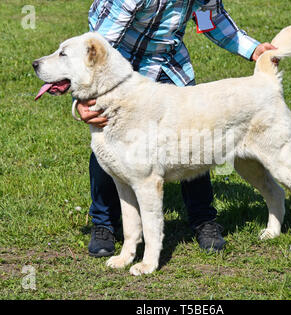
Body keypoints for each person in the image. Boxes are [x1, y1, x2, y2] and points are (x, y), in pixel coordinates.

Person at [76, 0, 276, 257]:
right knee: (110, 143)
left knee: (197, 134)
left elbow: (212, 20)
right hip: (121, 73)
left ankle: (204, 220)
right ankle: (104, 225)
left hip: (171, 67)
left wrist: (253, 50)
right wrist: (81, 101)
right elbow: (96, 47)